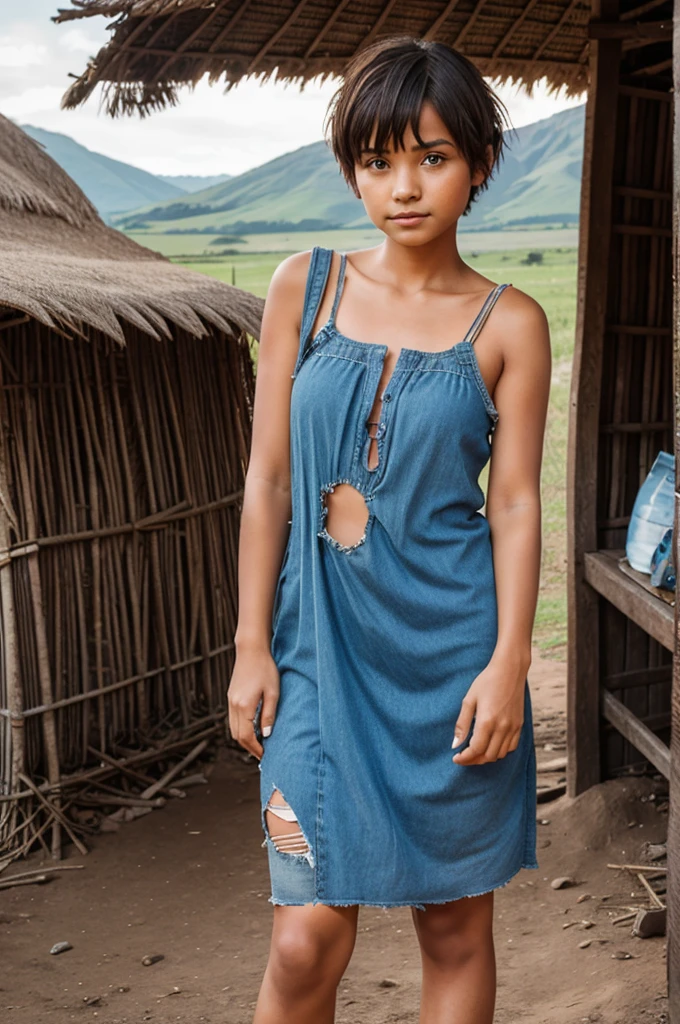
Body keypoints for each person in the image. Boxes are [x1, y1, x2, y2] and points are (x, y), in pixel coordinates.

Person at [228, 34, 551, 1024]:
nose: (402, 185)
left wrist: (507, 663)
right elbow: (269, 480)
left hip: (448, 665)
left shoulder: (509, 324)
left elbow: (514, 502)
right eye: (376, 160)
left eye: (432, 155)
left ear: (478, 165)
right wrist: (249, 644)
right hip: (318, 656)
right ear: (350, 171)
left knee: (452, 932)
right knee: (302, 937)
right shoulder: (303, 287)